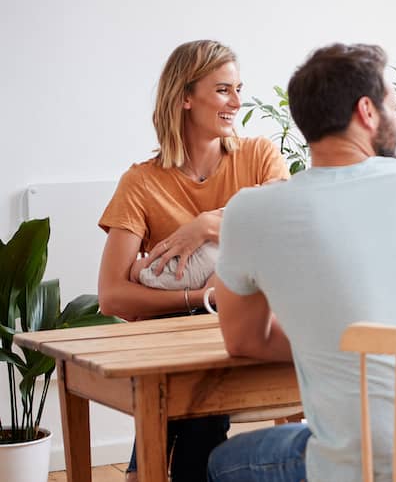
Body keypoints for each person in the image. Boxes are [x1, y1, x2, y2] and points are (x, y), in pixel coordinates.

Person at [205, 43, 396, 482]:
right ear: (367, 111)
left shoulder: (252, 211)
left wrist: (335, 342)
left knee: (221, 463)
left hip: (365, 466)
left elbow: (244, 339)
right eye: (393, 105)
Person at [96, 39, 289, 482]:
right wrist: (201, 295)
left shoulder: (258, 156)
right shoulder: (141, 182)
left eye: (239, 88)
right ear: (185, 97)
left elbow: (287, 230)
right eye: (223, 90)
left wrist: (205, 225)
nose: (237, 102)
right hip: (175, 345)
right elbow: (111, 296)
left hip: (244, 329)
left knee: (198, 391)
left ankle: (140, 468)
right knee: (199, 396)